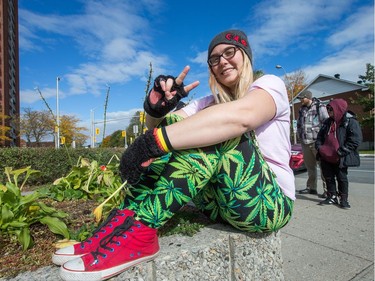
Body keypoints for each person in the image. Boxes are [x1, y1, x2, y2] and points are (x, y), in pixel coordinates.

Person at [52, 29, 295, 281]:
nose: (222, 61)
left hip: (267, 204)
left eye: (229, 52)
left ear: (245, 55)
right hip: (216, 204)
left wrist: (155, 141)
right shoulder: (206, 103)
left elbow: (242, 118)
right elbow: (164, 129)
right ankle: (126, 223)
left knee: (213, 129)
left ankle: (143, 232)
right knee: (183, 132)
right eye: (214, 58)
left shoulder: (269, 85)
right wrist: (158, 109)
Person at [316, 99, 362, 208]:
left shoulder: (350, 122)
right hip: (326, 157)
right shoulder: (327, 122)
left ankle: (344, 199)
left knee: (342, 178)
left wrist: (342, 151)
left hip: (340, 157)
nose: (329, 111)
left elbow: (355, 140)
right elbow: (320, 137)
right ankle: (331, 196)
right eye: (328, 109)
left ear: (338, 109)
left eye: (331, 109)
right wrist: (319, 148)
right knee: (328, 177)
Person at [296, 90, 329, 197]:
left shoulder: (320, 106)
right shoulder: (302, 109)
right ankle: (311, 188)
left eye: (302, 98)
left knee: (323, 167)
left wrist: (323, 140)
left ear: (308, 97)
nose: (300, 100)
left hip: (317, 142)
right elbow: (299, 124)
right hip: (305, 142)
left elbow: (327, 123)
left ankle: (328, 190)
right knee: (310, 167)